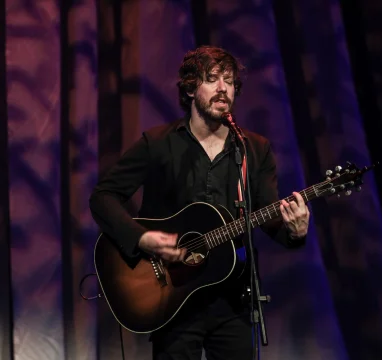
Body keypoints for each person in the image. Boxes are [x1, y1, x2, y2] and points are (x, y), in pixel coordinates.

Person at [89, 45, 310, 360]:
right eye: (212, 79)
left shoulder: (254, 149)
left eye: (230, 81)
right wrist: (141, 238)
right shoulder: (158, 143)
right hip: (171, 297)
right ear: (191, 88)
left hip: (231, 300)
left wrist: (295, 232)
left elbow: (270, 217)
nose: (223, 88)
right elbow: (103, 197)